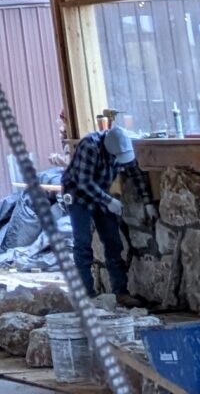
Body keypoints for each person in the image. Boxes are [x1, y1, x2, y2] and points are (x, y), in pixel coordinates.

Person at [60, 109, 139, 299]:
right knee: (83, 243)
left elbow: (135, 172)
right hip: (77, 195)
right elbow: (84, 182)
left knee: (113, 242)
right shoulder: (90, 146)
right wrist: (109, 200)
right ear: (109, 148)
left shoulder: (122, 145)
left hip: (100, 193)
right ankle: (87, 295)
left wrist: (148, 201)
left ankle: (121, 292)